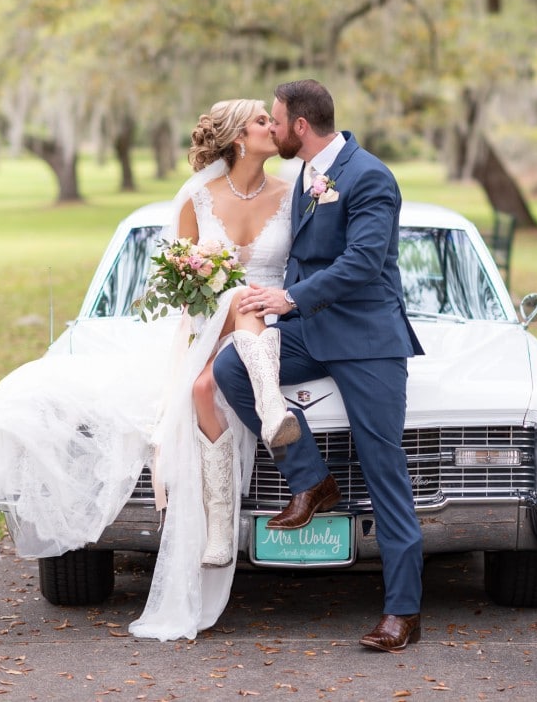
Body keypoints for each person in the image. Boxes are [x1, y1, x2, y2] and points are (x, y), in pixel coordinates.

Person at [0, 98, 296, 642]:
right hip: (206, 326)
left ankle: (259, 428)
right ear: (236, 138)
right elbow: (179, 286)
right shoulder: (195, 199)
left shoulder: (292, 195)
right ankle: (218, 528)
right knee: (201, 384)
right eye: (261, 122)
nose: (272, 129)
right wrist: (210, 299)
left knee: (241, 314)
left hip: (274, 327)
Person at [212, 79, 426, 652]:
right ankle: (313, 480)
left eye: (275, 122)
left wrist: (290, 300)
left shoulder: (370, 175)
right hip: (308, 331)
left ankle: (402, 612)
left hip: (366, 339)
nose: (272, 130)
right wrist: (264, 299)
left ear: (300, 126)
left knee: (384, 465)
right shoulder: (306, 174)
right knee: (234, 368)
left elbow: (362, 262)